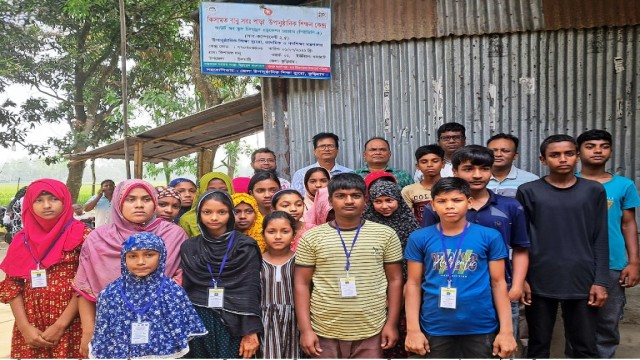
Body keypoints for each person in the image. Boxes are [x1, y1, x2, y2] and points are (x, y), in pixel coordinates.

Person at [421, 145, 530, 347]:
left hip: (501, 292)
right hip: (458, 292)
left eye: (484, 168)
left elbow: (521, 248)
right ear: (454, 172)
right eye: (469, 169)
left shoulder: (510, 206)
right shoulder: (438, 209)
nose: (477, 175)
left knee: (503, 346)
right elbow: (428, 250)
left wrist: (516, 285)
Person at [72, 179, 189, 357]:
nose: (139, 205)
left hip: (160, 328)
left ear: (154, 202)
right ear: (119, 202)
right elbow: (84, 288)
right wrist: (88, 331)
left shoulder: (173, 235)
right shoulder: (98, 239)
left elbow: (182, 278)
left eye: (146, 199)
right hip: (112, 329)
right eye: (131, 199)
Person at [517, 134, 609, 358]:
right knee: (538, 344)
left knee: (584, 345)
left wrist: (601, 281)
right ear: (543, 160)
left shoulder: (593, 190)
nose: (563, 159)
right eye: (555, 155)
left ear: (577, 156)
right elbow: (521, 240)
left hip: (583, 278)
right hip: (539, 278)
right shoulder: (528, 191)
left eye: (569, 153)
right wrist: (523, 280)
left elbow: (600, 237)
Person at [404, 177, 516, 358]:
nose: (449, 206)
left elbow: (499, 283)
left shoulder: (489, 236)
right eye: (442, 201)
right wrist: (413, 330)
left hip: (481, 326)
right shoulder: (419, 238)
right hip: (435, 326)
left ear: (469, 202)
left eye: (457, 200)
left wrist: (506, 332)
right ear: (432, 205)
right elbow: (413, 284)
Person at [294, 173, 403, 358]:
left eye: (356, 195)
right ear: (330, 200)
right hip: (323, 329)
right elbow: (301, 284)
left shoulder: (386, 234)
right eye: (341, 196)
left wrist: (391, 324)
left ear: (365, 199)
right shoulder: (311, 237)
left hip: (372, 328)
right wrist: (305, 330)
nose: (349, 201)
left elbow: (395, 280)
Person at [0, 179, 90, 358]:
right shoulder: (21, 240)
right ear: (29, 204)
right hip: (31, 325)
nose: (46, 205)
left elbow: (88, 284)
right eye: (38, 200)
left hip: (72, 323)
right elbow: (12, 286)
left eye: (53, 199)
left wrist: (60, 325)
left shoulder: (83, 235)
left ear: (65, 201)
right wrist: (25, 328)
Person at [89, 232, 207, 358]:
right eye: (132, 256)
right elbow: (105, 336)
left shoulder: (172, 292)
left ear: (161, 256)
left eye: (149, 255)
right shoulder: (110, 294)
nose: (140, 262)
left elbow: (181, 333)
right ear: (124, 259)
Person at [576, 129, 640, 358]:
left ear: (611, 151)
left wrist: (634, 262)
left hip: (613, 263)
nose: (597, 151)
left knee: (607, 322)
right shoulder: (567, 183)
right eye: (590, 146)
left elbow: (629, 224)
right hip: (576, 264)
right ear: (578, 152)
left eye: (603, 146)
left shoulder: (624, 185)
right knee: (576, 324)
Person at [180, 190, 262, 359]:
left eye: (221, 212)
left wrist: (251, 332)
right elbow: (188, 289)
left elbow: (250, 290)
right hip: (197, 319)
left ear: (230, 215)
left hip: (235, 321)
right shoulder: (190, 247)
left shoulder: (245, 246)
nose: (214, 218)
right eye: (207, 212)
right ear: (198, 215)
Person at [363, 179, 420, 358]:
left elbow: (414, 267)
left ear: (399, 200)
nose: (384, 206)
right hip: (372, 292)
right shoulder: (364, 226)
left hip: (405, 289)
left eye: (389, 200)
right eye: (378, 201)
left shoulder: (410, 227)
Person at [260, 211, 299, 358]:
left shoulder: (300, 261)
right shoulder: (256, 261)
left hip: (294, 321)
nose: (277, 236)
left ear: (293, 234)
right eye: (271, 231)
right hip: (264, 322)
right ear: (263, 234)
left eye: (284, 231)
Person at [179, 172, 235, 237]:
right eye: (210, 190)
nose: (217, 194)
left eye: (224, 190)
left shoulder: (239, 215)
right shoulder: (187, 220)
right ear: (201, 191)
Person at [486, 133, 539, 198]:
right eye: (493, 151)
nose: (498, 154)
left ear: (515, 156)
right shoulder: (477, 179)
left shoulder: (531, 180)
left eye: (505, 151)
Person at [402, 144, 445, 223]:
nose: (429, 165)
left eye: (435, 161)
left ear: (443, 164)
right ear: (417, 166)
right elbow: (407, 219)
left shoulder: (453, 187)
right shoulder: (408, 190)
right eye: (424, 162)